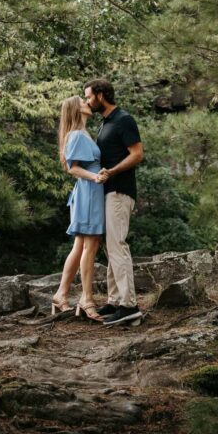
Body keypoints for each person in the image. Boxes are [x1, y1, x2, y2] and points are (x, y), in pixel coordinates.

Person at [85, 77, 144, 326]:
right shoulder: (105, 123)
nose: (87, 100)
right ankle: (115, 300)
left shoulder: (123, 120)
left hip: (120, 191)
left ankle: (129, 305)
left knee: (117, 245)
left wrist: (112, 172)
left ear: (100, 94)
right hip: (109, 192)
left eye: (88, 96)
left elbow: (137, 154)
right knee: (111, 247)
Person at [52, 95, 105, 322]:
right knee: (90, 246)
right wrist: (96, 177)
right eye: (83, 101)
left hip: (88, 192)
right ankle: (86, 299)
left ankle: (60, 295)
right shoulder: (76, 135)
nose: (88, 103)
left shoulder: (82, 133)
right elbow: (73, 168)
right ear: (76, 109)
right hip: (89, 192)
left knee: (81, 245)